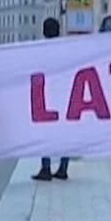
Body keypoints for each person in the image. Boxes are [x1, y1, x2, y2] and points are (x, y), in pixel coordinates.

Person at [32, 16, 71, 181]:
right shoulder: (65, 50)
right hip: (64, 95)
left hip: (46, 97)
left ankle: (46, 167)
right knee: (64, 132)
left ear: (43, 31)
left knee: (45, 133)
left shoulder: (41, 50)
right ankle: (63, 167)